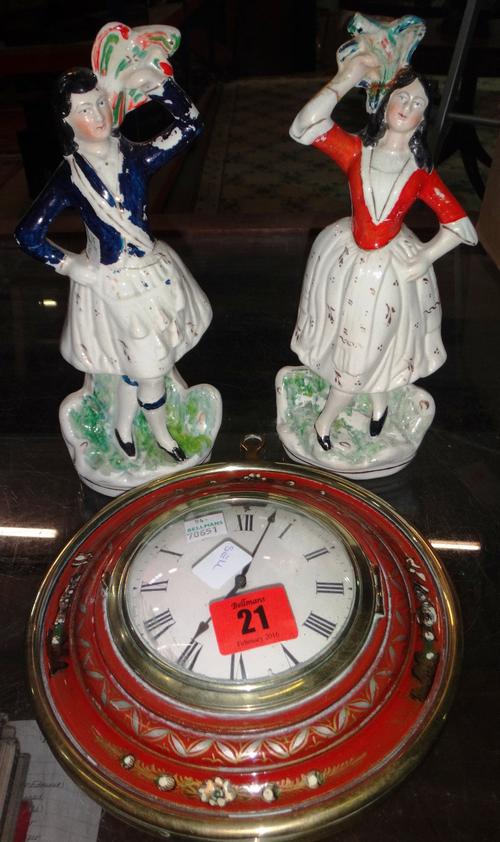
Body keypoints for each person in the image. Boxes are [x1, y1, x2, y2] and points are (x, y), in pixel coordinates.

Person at [15, 60, 211, 462]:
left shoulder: (136, 156)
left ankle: (123, 426)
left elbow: (190, 126)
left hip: (152, 274)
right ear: (67, 121)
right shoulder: (69, 177)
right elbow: (28, 234)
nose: (98, 115)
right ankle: (160, 433)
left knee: (136, 360)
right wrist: (76, 268)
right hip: (113, 283)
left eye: (100, 103)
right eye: (84, 110)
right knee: (150, 365)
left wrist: (159, 85)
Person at [289, 51, 477, 451]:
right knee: (351, 338)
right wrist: (346, 77)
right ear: (385, 102)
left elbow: (461, 227)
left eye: (417, 103)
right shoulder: (357, 151)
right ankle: (360, 409)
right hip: (349, 259)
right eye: (401, 97)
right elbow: (303, 127)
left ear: (424, 118)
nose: (407, 107)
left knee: (377, 342)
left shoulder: (420, 172)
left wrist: (426, 256)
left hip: (388, 268)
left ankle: (337, 418)